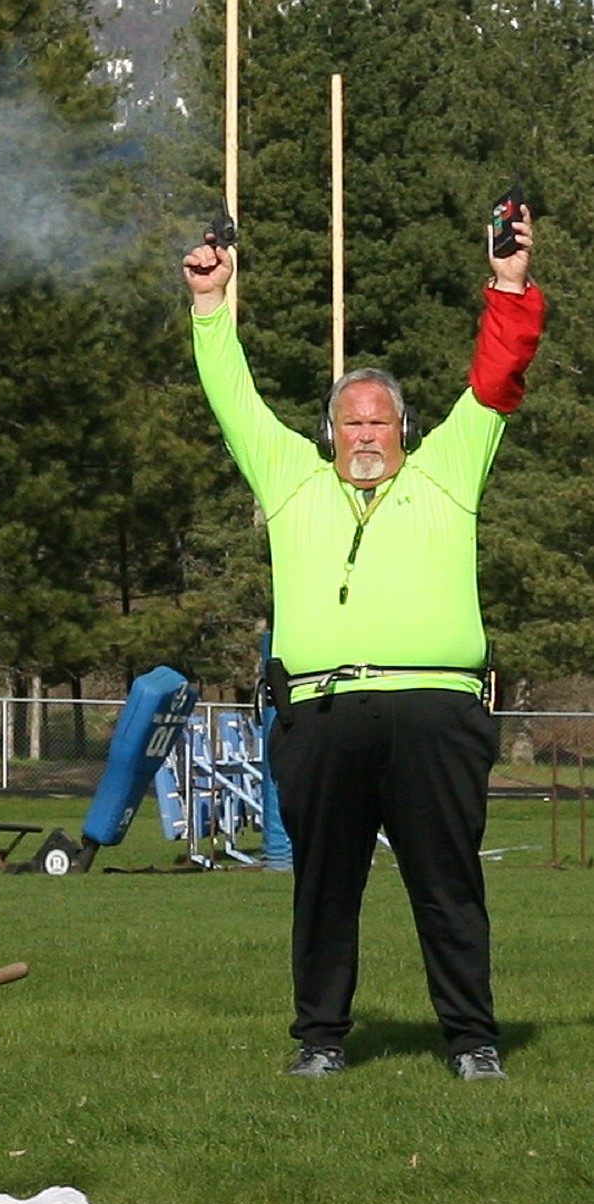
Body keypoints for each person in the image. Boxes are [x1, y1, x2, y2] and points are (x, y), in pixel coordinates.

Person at [182, 205, 545, 1079]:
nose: (368, 434)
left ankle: (473, 1041)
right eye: (352, 422)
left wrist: (508, 285)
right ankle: (321, 1041)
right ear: (328, 433)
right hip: (323, 714)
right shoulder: (291, 482)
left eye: (382, 421)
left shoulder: (450, 473)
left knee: (447, 884)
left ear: (406, 431)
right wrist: (210, 304)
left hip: (437, 715)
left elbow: (497, 378)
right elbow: (231, 395)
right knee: (325, 889)